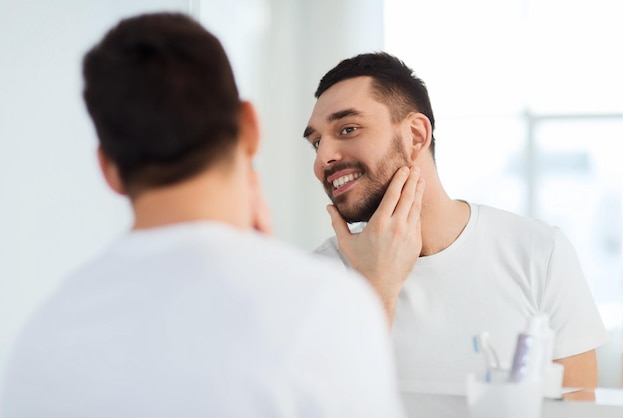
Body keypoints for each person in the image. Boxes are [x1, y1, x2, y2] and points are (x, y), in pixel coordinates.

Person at [0, 15, 410, 418]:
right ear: (250, 126)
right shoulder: (322, 309)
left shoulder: (43, 338)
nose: (324, 157)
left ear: (108, 169)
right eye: (317, 141)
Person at [303, 52, 609, 391]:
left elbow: (579, 409)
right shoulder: (316, 278)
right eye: (316, 142)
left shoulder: (540, 253)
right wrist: (377, 288)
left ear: (416, 135)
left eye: (348, 129)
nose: (322, 159)